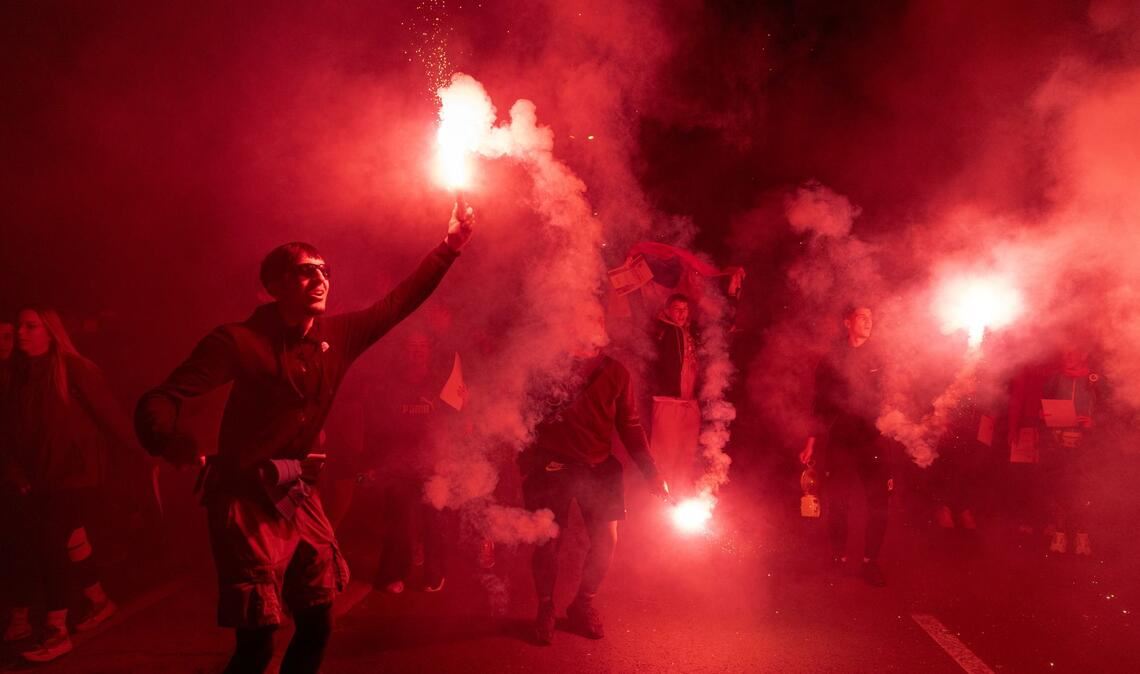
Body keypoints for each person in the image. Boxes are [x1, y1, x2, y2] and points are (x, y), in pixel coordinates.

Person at [134, 201, 474, 674]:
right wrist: (170, 441)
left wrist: (449, 247)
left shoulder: (338, 337)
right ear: (273, 286)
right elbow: (163, 396)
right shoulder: (238, 341)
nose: (319, 280)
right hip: (243, 495)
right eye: (303, 272)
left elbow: (398, 303)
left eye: (324, 271)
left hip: (294, 493)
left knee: (317, 623)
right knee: (257, 641)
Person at [519, 306, 669, 645]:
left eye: (600, 319)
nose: (595, 325)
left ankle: (582, 603)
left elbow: (630, 426)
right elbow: (524, 416)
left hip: (599, 467)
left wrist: (652, 473)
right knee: (547, 540)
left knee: (607, 542)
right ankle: (545, 606)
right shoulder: (548, 366)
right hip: (552, 466)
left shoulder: (616, 373)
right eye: (586, 317)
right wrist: (525, 461)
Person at [0, 307, 132, 662]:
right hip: (44, 477)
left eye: (31, 327)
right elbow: (17, 432)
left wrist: (144, 454)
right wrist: (17, 471)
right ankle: (99, 602)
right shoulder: (22, 376)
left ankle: (56, 630)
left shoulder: (74, 368)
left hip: (77, 475)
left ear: (50, 332)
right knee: (70, 538)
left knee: (49, 544)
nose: (21, 334)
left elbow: (111, 416)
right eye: (19, 327)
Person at [800, 305, 892, 587]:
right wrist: (811, 442)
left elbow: (892, 394)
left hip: (872, 438)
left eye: (871, 317)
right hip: (841, 437)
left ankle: (870, 562)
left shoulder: (880, 358)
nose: (868, 322)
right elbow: (820, 402)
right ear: (847, 322)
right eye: (862, 317)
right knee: (837, 499)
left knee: (879, 501)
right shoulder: (832, 359)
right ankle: (838, 556)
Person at [1039, 345, 1105, 556]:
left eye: (1074, 352)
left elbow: (1110, 407)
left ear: (1084, 355)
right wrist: (1044, 414)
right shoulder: (1056, 379)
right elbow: (1042, 404)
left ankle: (1082, 535)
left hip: (1086, 443)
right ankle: (1060, 532)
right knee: (1060, 487)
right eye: (1065, 352)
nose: (1068, 356)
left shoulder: (1095, 380)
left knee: (1084, 488)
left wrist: (1093, 422)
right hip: (1058, 441)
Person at [647, 294, 701, 495]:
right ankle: (660, 500)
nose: (682, 314)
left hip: (688, 402)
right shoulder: (660, 331)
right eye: (677, 309)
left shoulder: (690, 332)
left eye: (685, 309)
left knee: (686, 454)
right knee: (664, 455)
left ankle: (680, 497)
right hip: (667, 401)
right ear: (668, 309)